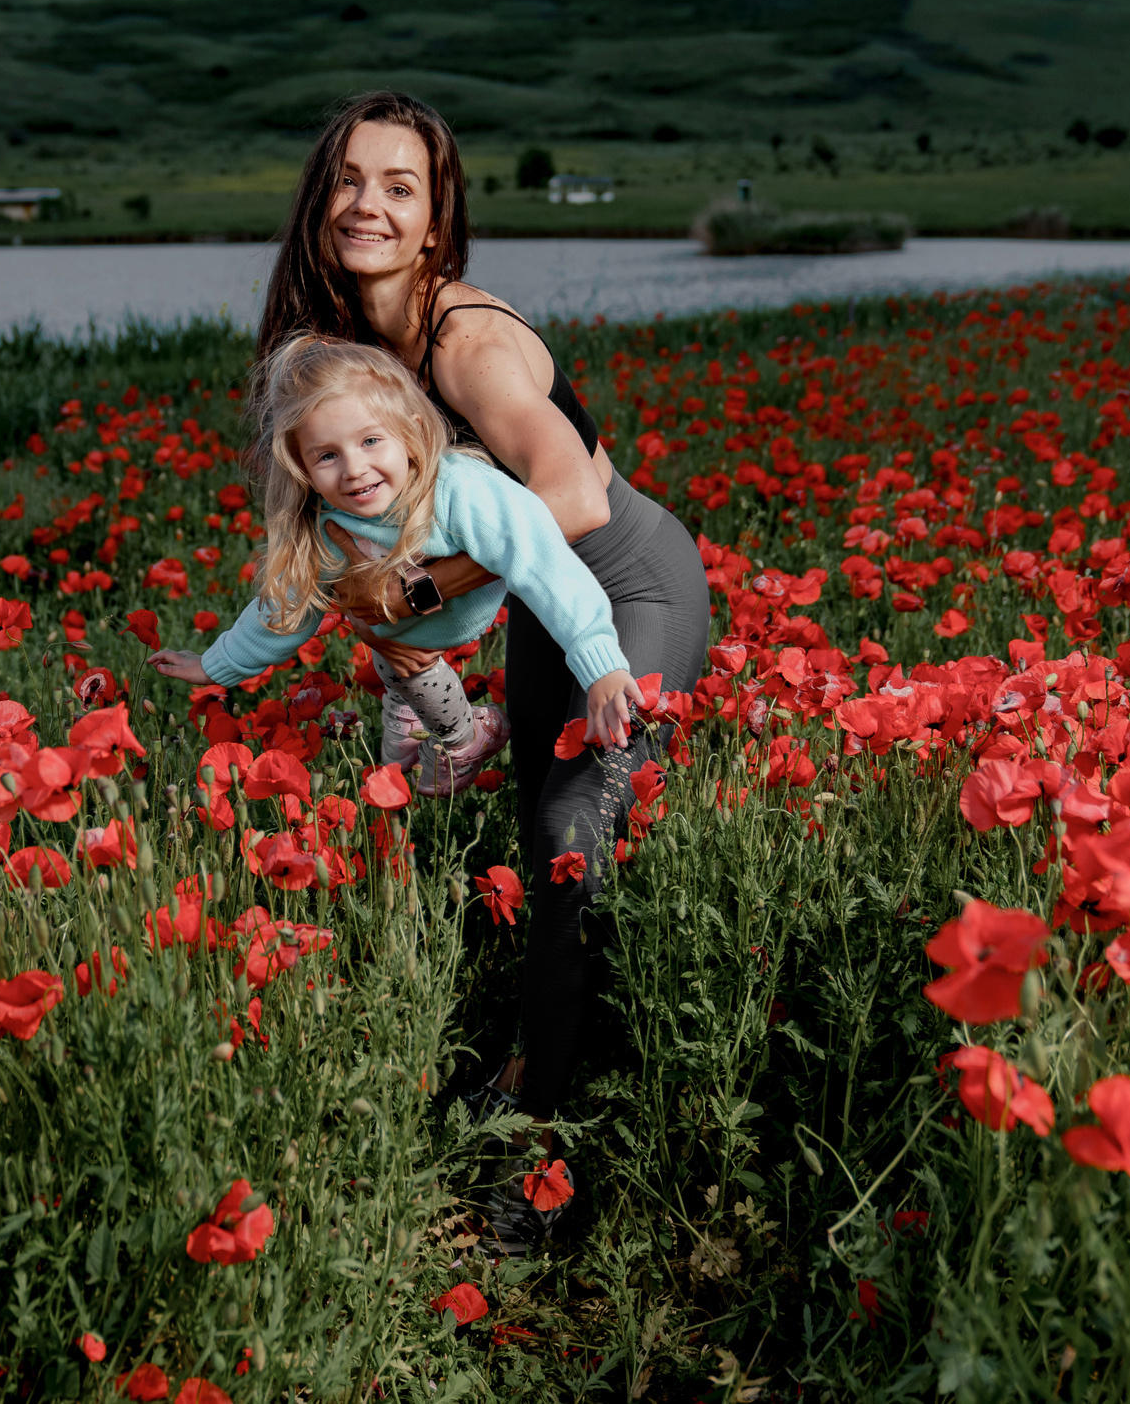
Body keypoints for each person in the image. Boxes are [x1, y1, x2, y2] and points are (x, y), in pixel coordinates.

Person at [255, 90, 712, 1250]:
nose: (369, 203)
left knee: (569, 853)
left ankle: (549, 1176)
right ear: (320, 201)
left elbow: (571, 497)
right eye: (350, 180)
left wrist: (410, 593)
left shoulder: (464, 340)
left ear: (436, 221)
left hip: (630, 588)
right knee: (544, 854)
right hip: (544, 608)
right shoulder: (359, 346)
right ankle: (531, 1092)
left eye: (399, 187)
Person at [148, 338, 641, 795]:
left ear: (410, 432)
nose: (354, 469)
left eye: (369, 441)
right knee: (389, 704)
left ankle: (471, 734)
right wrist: (213, 665)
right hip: (393, 628)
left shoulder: (461, 492)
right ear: (300, 467)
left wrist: (599, 663)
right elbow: (284, 609)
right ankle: (405, 708)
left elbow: (543, 563)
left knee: (410, 662)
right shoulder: (324, 524)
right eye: (326, 456)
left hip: (457, 613)